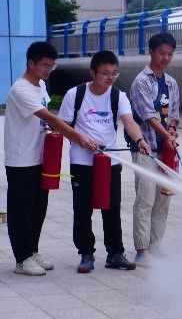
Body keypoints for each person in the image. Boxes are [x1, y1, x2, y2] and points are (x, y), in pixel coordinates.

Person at [4, 41, 98, 276]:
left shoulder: (40, 86)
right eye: (45, 65)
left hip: (40, 157)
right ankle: (22, 259)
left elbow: (48, 121)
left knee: (38, 207)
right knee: (21, 210)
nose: (48, 70)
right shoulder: (21, 89)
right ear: (31, 63)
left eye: (52, 66)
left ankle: (32, 251)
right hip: (21, 159)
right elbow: (51, 118)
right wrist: (78, 137)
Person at [58, 50, 150, 274]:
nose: (110, 77)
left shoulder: (118, 96)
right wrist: (81, 139)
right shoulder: (75, 94)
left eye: (114, 73)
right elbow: (62, 126)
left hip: (110, 161)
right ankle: (86, 253)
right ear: (93, 73)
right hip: (82, 161)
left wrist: (140, 139)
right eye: (105, 73)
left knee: (112, 209)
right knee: (82, 209)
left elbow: (129, 122)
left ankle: (115, 253)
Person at [129, 33, 180, 267]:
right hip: (145, 148)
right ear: (150, 52)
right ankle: (141, 251)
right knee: (146, 199)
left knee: (163, 199)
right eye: (161, 53)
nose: (165, 58)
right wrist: (167, 134)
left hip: (166, 150)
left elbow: (174, 115)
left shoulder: (171, 83)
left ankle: (155, 247)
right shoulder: (141, 81)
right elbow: (148, 116)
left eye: (169, 54)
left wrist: (172, 131)